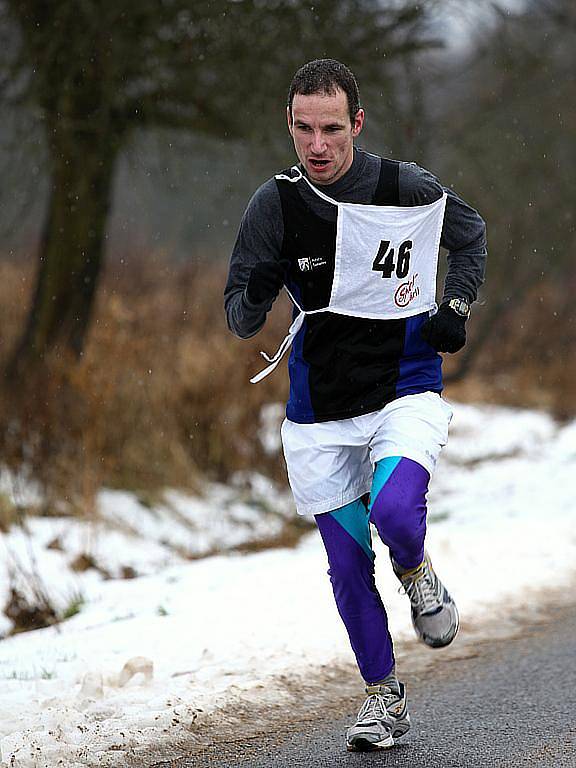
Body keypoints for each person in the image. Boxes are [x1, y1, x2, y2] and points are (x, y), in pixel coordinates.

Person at [224, 59, 486, 752]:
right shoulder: (272, 206)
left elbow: (471, 235)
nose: (318, 145)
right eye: (304, 128)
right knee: (345, 565)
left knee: (397, 514)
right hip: (320, 409)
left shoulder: (404, 186)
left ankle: (418, 570)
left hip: (404, 386)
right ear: (289, 125)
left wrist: (454, 307)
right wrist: (256, 289)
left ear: (357, 124)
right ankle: (384, 699)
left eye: (332, 128)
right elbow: (240, 319)